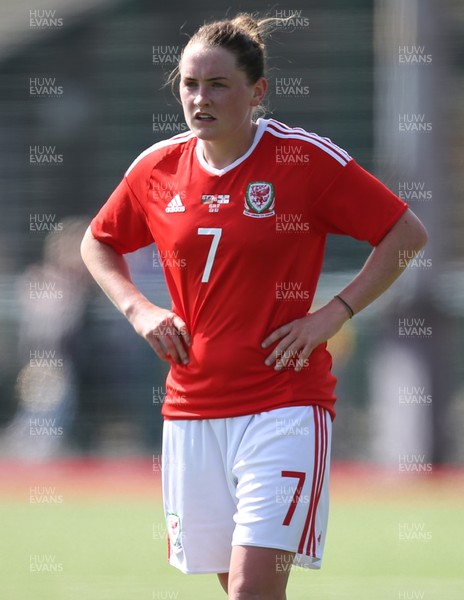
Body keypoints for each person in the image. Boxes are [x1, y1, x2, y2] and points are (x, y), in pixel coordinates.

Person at [80, 13, 428, 600]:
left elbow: (405, 233)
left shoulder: (302, 160)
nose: (199, 98)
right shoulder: (157, 167)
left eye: (217, 84)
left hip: (284, 405)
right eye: (189, 84)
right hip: (192, 409)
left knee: (250, 588)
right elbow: (98, 241)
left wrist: (334, 312)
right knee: (240, 589)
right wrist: (139, 310)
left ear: (257, 91)